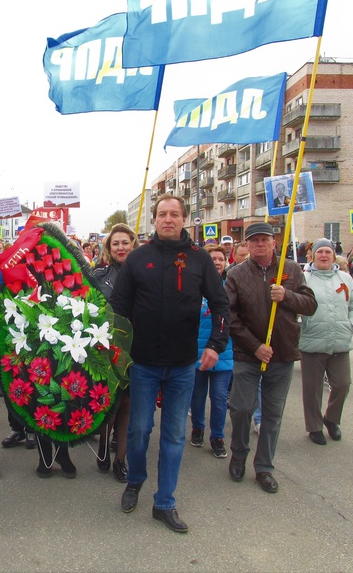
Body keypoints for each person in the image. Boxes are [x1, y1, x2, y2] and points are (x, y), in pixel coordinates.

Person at [111, 194, 230, 533]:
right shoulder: (137, 259)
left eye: (174, 214)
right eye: (162, 214)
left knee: (175, 435)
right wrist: (118, 348)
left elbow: (221, 306)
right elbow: (118, 308)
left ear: (183, 219)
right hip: (144, 363)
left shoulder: (200, 259)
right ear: (154, 219)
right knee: (138, 430)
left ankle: (164, 502)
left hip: (182, 365)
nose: (167, 219)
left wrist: (215, 346)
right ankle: (135, 480)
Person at [225, 222, 317, 494]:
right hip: (247, 354)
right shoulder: (236, 274)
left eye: (264, 239)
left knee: (273, 414)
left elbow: (310, 305)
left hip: (282, 354)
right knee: (241, 408)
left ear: (274, 242)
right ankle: (239, 454)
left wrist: (287, 295)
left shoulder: (291, 269)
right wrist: (254, 346)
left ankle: (264, 466)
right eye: (254, 241)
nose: (260, 245)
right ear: (247, 245)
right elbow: (230, 316)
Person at [299, 238, 353, 445]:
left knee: (342, 384)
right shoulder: (303, 278)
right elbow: (296, 305)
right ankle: (314, 426)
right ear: (312, 255)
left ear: (334, 255)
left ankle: (332, 419)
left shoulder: (345, 278)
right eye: (320, 252)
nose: (324, 255)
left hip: (339, 340)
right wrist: (301, 324)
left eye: (328, 252)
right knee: (313, 389)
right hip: (312, 339)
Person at [93, 223, 138, 480]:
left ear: (133, 244)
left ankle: (120, 460)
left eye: (125, 242)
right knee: (108, 402)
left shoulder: (145, 271)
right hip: (106, 347)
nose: (121, 247)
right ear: (109, 248)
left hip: (137, 347)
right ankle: (102, 448)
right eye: (116, 243)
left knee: (128, 404)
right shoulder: (99, 274)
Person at [189, 245, 234, 458]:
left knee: (218, 397)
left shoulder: (231, 287)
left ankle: (218, 436)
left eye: (220, 259)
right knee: (197, 396)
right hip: (196, 351)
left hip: (223, 352)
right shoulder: (193, 284)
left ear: (226, 262)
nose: (217, 262)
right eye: (212, 258)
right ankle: (197, 427)